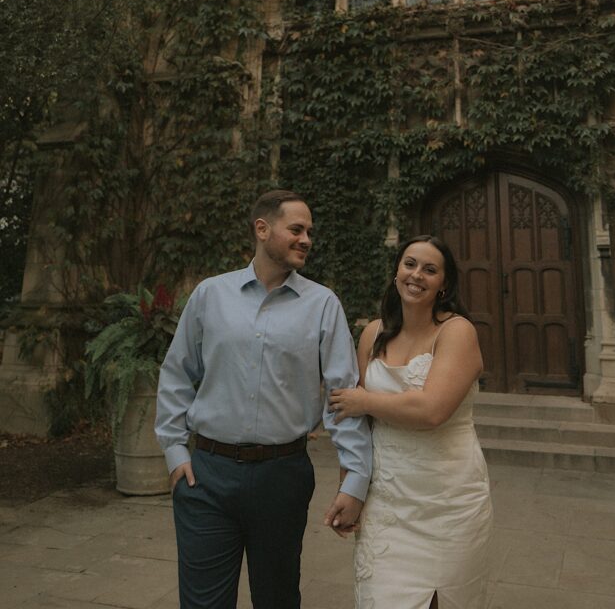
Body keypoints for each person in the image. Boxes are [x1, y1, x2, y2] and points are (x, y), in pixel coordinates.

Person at [155, 189, 372, 609]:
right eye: (296, 229)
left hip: (282, 477)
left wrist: (356, 478)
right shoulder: (209, 295)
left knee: (277, 599)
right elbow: (178, 372)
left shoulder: (323, 304)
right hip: (206, 476)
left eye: (309, 231)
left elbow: (344, 396)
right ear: (262, 229)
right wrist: (175, 452)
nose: (306, 238)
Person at [329, 234, 492, 609]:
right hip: (388, 499)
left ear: (444, 284)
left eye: (430, 269)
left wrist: (364, 400)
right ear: (397, 271)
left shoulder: (456, 331)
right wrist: (349, 488)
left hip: (448, 500)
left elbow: (432, 411)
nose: (417, 275)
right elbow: (358, 426)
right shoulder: (373, 333)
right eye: (410, 264)